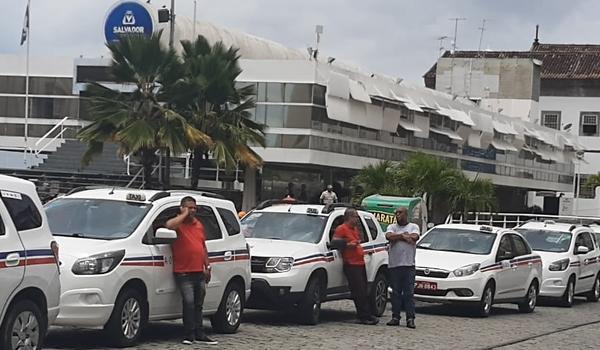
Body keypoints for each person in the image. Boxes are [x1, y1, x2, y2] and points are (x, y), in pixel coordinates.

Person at [166, 196, 218, 345]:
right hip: (183, 272)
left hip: (198, 271)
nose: (192, 210)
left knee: (198, 304)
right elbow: (169, 226)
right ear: (182, 208)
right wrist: (183, 214)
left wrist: (207, 266)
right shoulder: (178, 223)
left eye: (194, 208)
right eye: (189, 207)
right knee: (188, 302)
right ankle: (189, 334)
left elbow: (202, 246)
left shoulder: (198, 225)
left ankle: (200, 333)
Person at [333, 208, 378, 325]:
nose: (357, 219)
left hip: (360, 262)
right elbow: (335, 243)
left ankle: (367, 314)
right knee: (359, 291)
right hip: (351, 263)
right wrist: (348, 245)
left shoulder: (355, 229)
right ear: (349, 217)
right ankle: (364, 316)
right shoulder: (341, 229)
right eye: (355, 217)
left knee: (364, 290)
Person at [385, 207, 420, 329]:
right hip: (394, 265)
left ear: (406, 214)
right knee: (395, 293)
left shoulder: (413, 226)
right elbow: (389, 236)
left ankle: (410, 318)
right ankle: (395, 317)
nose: (397, 215)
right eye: (396, 213)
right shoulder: (392, 227)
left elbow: (415, 237)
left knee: (409, 294)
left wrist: (399, 237)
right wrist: (403, 236)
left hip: (409, 265)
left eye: (400, 213)